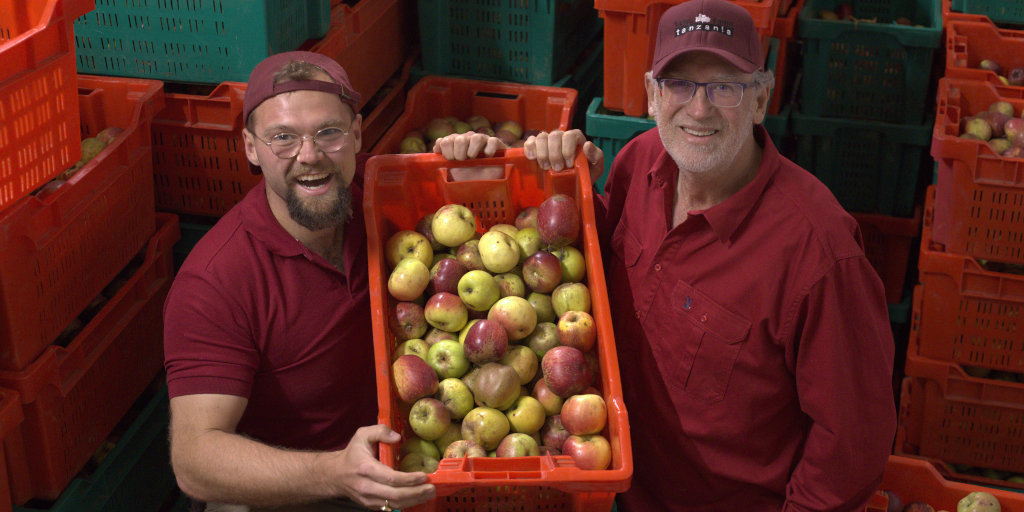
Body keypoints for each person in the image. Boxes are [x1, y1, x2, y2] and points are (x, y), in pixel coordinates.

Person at [434, 0, 897, 509]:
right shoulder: (640, 160)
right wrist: (515, 181)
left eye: (725, 86)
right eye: (679, 85)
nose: (699, 109)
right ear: (653, 95)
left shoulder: (820, 255)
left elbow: (853, 443)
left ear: (761, 98)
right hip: (609, 478)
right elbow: (587, 263)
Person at [162, 51, 436, 512]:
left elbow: (499, 201)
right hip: (294, 487)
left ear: (355, 133)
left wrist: (530, 157)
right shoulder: (216, 280)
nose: (309, 156)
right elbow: (194, 459)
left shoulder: (387, 193)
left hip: (417, 449)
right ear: (251, 148)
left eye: (327, 133)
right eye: (282, 138)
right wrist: (332, 473)